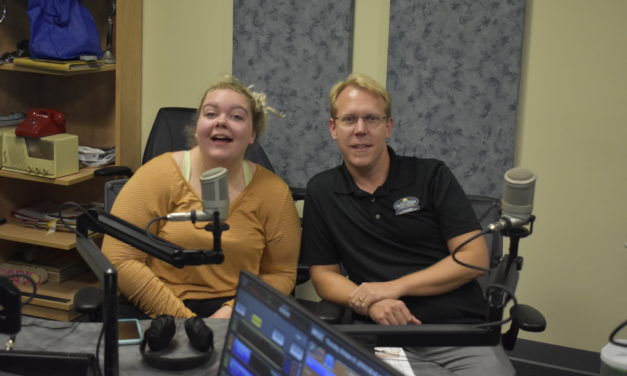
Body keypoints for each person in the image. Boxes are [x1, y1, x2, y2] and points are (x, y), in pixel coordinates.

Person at [300, 73, 515, 375]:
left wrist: (393, 288)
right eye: (349, 119)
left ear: (388, 126)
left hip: (459, 331)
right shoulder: (322, 191)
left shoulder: (431, 176)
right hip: (382, 335)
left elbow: (474, 259)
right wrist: (369, 304)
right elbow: (323, 275)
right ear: (333, 128)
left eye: (371, 119)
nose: (360, 130)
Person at [102, 76, 301, 320]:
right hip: (160, 307)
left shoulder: (273, 192)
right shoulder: (156, 176)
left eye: (237, 116)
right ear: (197, 129)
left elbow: (281, 273)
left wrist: (231, 312)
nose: (221, 122)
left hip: (237, 310)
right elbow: (120, 259)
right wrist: (186, 322)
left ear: (252, 134)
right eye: (210, 114)